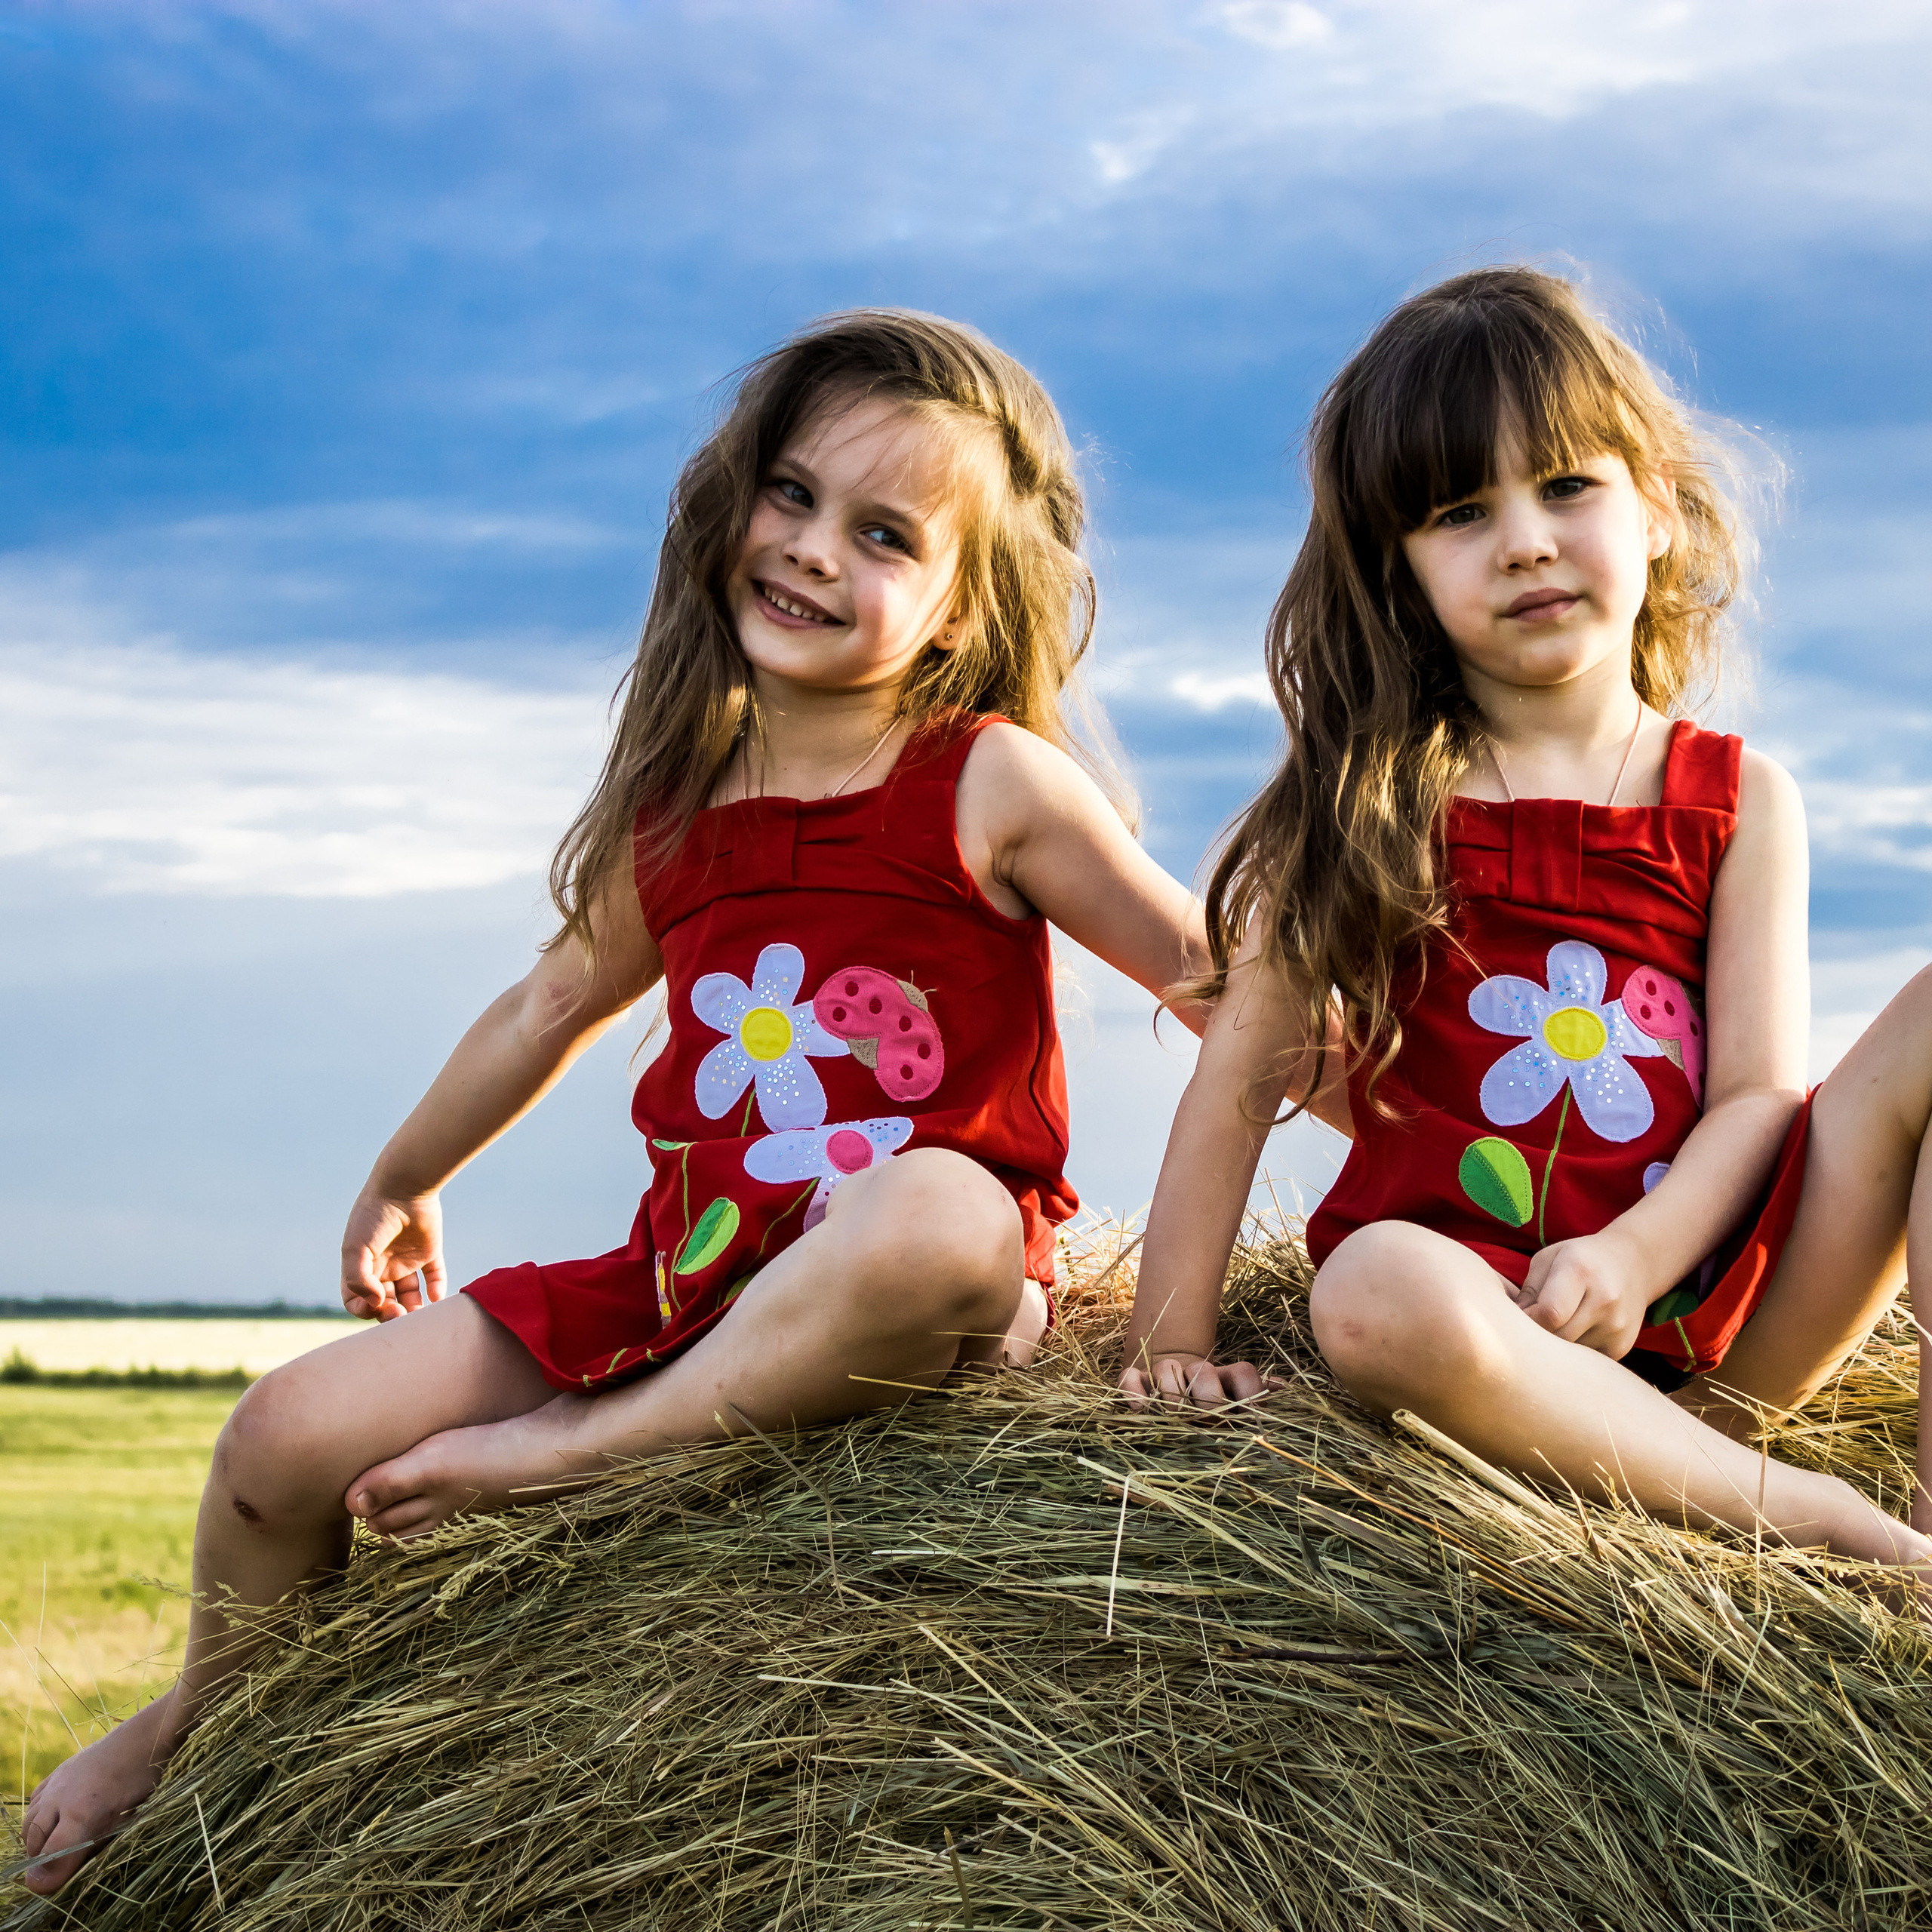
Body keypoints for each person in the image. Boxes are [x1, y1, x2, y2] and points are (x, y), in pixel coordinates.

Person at [21, 309, 1207, 1895]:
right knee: (280, 1433)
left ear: (954, 607)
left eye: (879, 534)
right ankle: (212, 1727)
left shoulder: (988, 777)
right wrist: (403, 1174)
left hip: (912, 1282)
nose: (805, 551)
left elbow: (1215, 982)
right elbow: (542, 1006)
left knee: (932, 1207)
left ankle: (581, 1455)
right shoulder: (678, 819)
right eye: (789, 496)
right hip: (684, 1277)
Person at [1120, 266, 1932, 1589]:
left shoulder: (1736, 799)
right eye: (1460, 513)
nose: (1525, 541)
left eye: (1566, 487)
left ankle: (1910, 1516)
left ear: (1658, 508)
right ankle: (1818, 1515)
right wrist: (1168, 1343)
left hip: (1717, 1314)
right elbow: (1234, 1082)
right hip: (1484, 1341)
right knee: (1372, 1286)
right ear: (1401, 574)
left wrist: (1636, 1254)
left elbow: (1759, 1101)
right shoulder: (1370, 800)